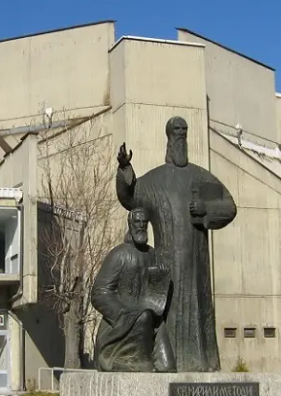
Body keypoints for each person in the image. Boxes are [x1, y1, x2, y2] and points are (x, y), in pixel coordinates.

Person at [116, 117, 237, 372]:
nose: (180, 135)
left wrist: (206, 208)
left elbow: (229, 206)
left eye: (184, 130)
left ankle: (202, 362)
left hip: (196, 268)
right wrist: (125, 169)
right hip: (167, 268)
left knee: (199, 314)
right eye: (176, 131)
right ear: (168, 138)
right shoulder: (154, 180)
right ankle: (166, 362)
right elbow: (130, 197)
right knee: (166, 314)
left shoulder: (201, 177)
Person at [91, 208, 175, 372]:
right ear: (130, 224)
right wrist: (123, 313)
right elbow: (99, 293)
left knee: (168, 366)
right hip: (123, 321)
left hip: (151, 319)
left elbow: (156, 294)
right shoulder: (118, 254)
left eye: (144, 222)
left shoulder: (153, 255)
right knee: (143, 318)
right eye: (137, 222)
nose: (141, 226)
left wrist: (162, 276)